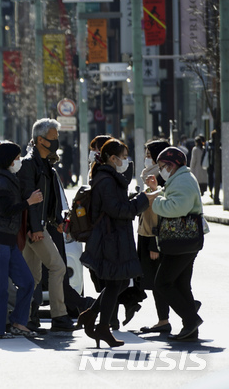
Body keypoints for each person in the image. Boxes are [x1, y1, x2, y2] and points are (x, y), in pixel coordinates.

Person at [78, 138, 152, 348]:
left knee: (119, 282)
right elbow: (118, 210)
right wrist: (144, 200)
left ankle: (91, 314)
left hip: (115, 236)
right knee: (114, 283)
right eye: (123, 157)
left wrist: (142, 197)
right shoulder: (106, 179)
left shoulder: (110, 177)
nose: (126, 161)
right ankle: (102, 327)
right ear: (112, 158)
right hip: (110, 237)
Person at [18, 119, 74, 331]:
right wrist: (36, 228)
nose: (57, 142)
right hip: (34, 228)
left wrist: (57, 220)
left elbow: (49, 199)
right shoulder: (28, 165)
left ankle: (29, 318)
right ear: (40, 140)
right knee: (57, 267)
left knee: (34, 276)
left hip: (38, 226)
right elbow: (30, 198)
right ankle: (59, 315)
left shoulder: (45, 165)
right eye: (53, 138)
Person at [0, 142, 42, 338]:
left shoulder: (9, 178)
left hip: (8, 242)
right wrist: (29, 202)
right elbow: (8, 209)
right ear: (8, 160)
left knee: (26, 282)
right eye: (16, 158)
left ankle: (17, 321)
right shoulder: (0, 181)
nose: (19, 161)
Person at [146, 147, 204, 341]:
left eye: (162, 166)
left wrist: (156, 202)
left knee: (162, 283)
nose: (161, 170)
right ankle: (190, 327)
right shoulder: (180, 178)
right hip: (184, 241)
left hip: (182, 239)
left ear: (172, 165)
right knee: (181, 283)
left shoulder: (184, 180)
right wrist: (157, 192)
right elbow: (173, 196)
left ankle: (190, 317)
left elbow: (176, 206)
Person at [137, 140, 171, 334]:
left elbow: (158, 214)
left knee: (159, 282)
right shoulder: (151, 176)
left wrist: (153, 244)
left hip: (154, 237)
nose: (146, 157)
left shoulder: (161, 178)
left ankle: (172, 316)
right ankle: (167, 317)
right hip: (147, 234)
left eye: (149, 153)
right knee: (157, 281)